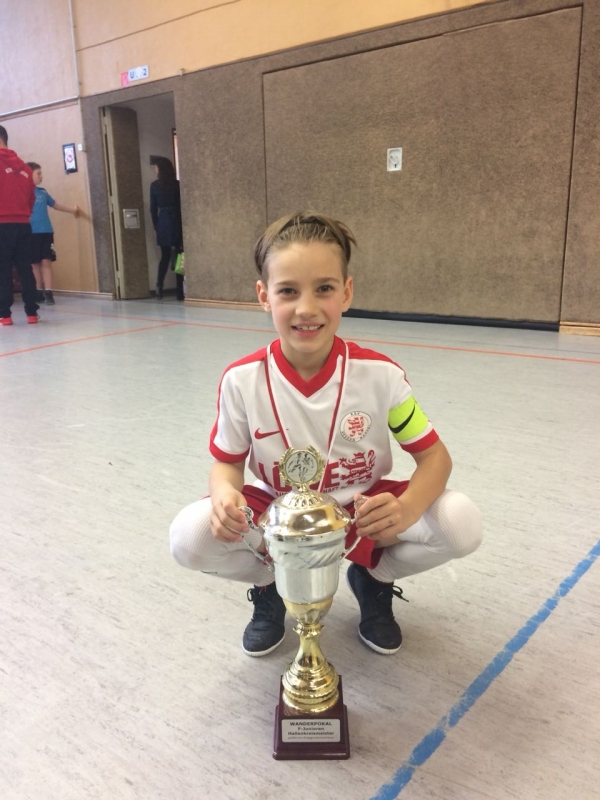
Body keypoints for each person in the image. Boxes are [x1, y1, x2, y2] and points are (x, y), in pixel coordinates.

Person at [169, 212, 482, 657]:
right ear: (263, 296)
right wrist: (224, 496)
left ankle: (373, 577)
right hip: (277, 514)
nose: (307, 308)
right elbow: (227, 463)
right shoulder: (241, 380)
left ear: (346, 292)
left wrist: (408, 507)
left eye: (324, 289)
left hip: (363, 511)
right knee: (189, 537)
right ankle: (272, 583)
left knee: (461, 523)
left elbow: (436, 458)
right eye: (288, 291)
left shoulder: (382, 376)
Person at [0, 125, 39, 326]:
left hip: (2, 224)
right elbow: (32, 198)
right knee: (25, 269)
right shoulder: (25, 168)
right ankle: (32, 313)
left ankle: (5, 315)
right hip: (23, 224)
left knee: (3, 270)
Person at [26, 162, 79, 305]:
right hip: (31, 233)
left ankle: (49, 292)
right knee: (34, 264)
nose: (41, 176)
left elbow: (55, 205)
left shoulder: (42, 192)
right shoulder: (22, 192)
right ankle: (38, 291)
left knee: (46, 262)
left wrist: (72, 210)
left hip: (46, 232)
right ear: (29, 175)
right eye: (38, 173)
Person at [150, 157, 184, 301]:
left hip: (163, 220)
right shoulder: (177, 185)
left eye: (156, 167)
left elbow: (153, 208)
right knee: (179, 255)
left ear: (161, 169)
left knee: (165, 256)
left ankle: (159, 287)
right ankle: (180, 290)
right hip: (177, 218)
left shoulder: (154, 186)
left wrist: (156, 226)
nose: (154, 169)